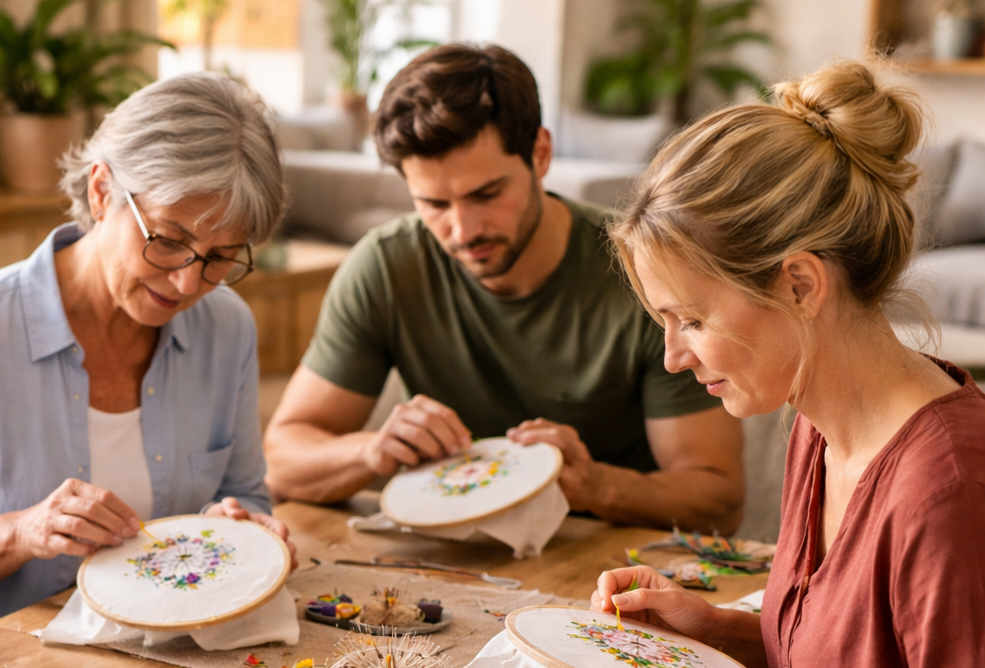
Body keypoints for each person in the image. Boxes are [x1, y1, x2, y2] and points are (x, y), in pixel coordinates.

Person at [590, 61, 985, 668]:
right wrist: (724, 626)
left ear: (800, 282)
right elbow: (872, 660)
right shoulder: (816, 417)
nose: (675, 357)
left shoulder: (951, 490)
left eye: (691, 319)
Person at [0, 73, 292, 629]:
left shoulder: (225, 327)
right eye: (170, 241)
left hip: (159, 656)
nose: (187, 283)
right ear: (102, 190)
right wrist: (21, 532)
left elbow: (243, 493)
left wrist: (239, 524)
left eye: (220, 256)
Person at [263, 44, 744, 532]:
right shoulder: (386, 268)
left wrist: (594, 484)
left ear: (540, 154)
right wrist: (368, 451)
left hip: (610, 564)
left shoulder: (644, 272)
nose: (463, 229)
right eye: (433, 203)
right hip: (449, 552)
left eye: (486, 194)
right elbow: (282, 461)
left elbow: (718, 498)